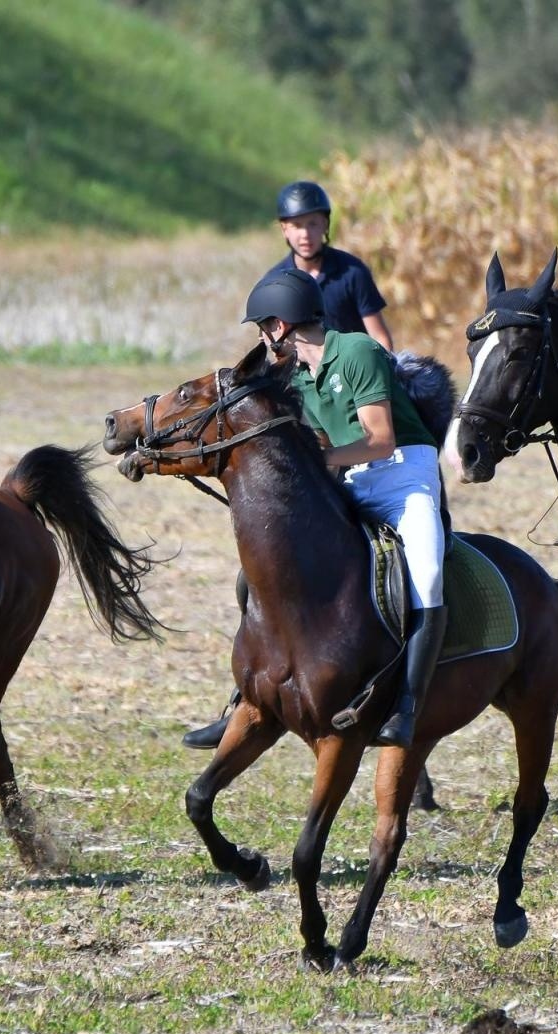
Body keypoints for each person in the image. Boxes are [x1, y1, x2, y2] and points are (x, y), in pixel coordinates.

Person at [222, 268, 446, 749]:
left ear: (280, 326)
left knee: (426, 577)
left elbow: (380, 440)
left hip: (405, 473)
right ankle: (246, 699)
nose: (263, 339)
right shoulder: (298, 378)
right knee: (263, 570)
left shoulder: (358, 351)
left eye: (263, 328)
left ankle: (407, 707)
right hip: (351, 476)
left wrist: (317, 459)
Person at [267, 180, 394, 351]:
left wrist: (381, 373)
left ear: (325, 225)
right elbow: (275, 346)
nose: (305, 234)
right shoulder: (275, 282)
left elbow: (380, 338)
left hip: (354, 369)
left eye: (313, 224)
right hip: (301, 373)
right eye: (297, 225)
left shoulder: (353, 272)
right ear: (284, 230)